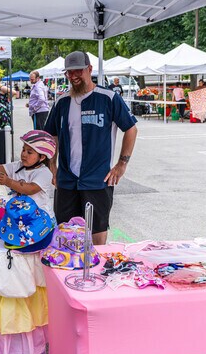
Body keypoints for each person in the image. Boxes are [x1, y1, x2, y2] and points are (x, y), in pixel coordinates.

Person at [44, 51, 138, 245]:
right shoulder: (62, 102)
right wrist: (51, 164)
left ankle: (95, 274)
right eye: (69, 72)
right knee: (65, 236)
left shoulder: (108, 98)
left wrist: (122, 164)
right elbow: (51, 134)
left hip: (97, 180)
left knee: (97, 238)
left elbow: (131, 128)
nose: (73, 76)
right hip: (67, 181)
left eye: (78, 71)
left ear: (89, 69)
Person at [0, 130, 56, 215]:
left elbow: (30, 189)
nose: (24, 154)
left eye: (29, 152)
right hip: (20, 215)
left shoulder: (44, 173)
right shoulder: (17, 166)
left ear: (42, 157)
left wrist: (7, 181)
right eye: (23, 150)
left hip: (39, 218)